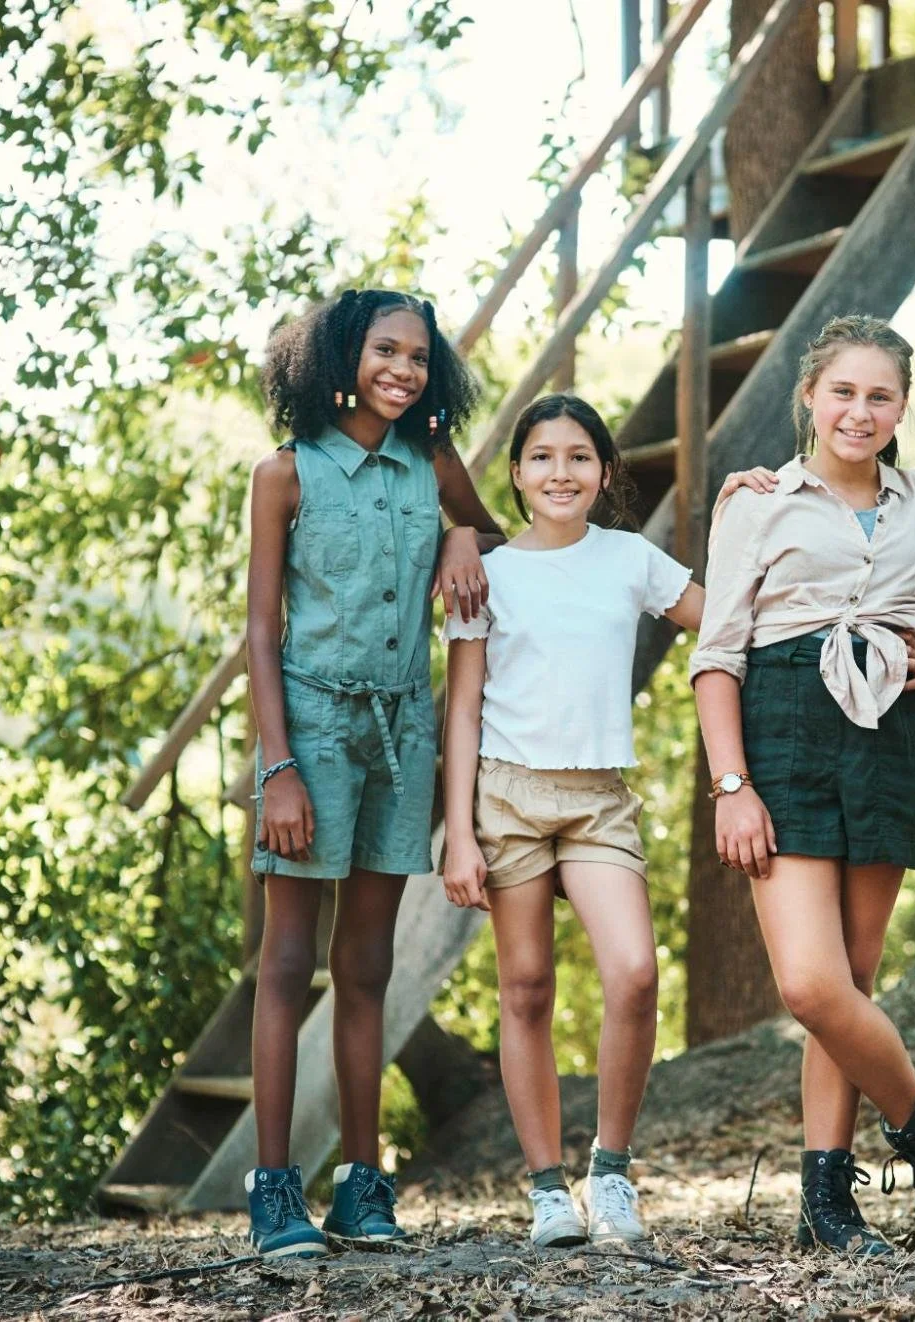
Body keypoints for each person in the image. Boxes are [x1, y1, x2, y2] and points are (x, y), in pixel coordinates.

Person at [690, 315, 915, 1255]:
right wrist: (730, 783)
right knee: (814, 988)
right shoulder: (756, 502)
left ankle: (827, 1198)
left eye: (879, 396)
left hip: (886, 732)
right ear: (809, 398)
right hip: (779, 732)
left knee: (855, 978)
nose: (859, 412)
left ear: (903, 406)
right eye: (842, 392)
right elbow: (716, 656)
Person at [244, 288, 505, 1259]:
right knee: (285, 964)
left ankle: (362, 1184)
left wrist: (463, 531)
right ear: (342, 355)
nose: (403, 369)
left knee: (367, 966)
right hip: (309, 732)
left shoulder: (432, 462)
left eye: (419, 356)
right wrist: (278, 769)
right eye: (385, 350)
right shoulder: (286, 473)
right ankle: (275, 1191)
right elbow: (260, 634)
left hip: (404, 731)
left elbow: (506, 546)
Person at [440, 393, 703, 1248]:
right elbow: (465, 708)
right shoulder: (488, 573)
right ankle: (546, 1187)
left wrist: (754, 505)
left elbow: (726, 617)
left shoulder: (630, 558)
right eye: (543, 457)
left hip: (598, 800)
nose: (562, 471)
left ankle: (611, 1171)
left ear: (603, 473)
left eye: (580, 456)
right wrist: (458, 831)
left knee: (633, 973)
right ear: (515, 474)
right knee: (525, 991)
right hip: (508, 797)